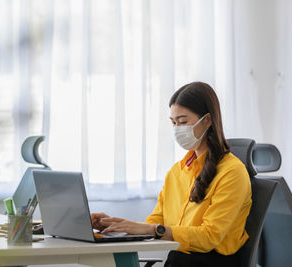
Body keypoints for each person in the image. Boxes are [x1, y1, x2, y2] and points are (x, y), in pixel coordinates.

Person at [91, 82, 252, 267]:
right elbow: (156, 223)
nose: (177, 129)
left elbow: (210, 237)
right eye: (173, 123)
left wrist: (153, 229)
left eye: (183, 122)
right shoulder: (177, 172)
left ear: (207, 120)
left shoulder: (232, 173)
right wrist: (115, 227)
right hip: (179, 261)